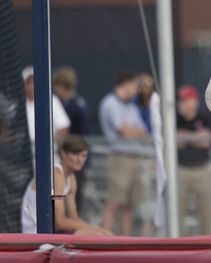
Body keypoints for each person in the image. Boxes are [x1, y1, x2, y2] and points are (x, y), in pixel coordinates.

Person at [21, 134, 112, 235]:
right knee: (96, 234)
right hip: (36, 234)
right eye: (75, 154)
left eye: (83, 155)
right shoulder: (57, 174)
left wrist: (98, 229)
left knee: (103, 234)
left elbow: (73, 218)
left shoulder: (71, 179)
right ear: (63, 154)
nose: (80, 160)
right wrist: (96, 229)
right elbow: (60, 222)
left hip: (51, 231)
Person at [99, 69, 149, 236]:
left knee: (129, 205)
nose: (138, 90)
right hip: (120, 159)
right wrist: (134, 132)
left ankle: (125, 241)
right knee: (114, 203)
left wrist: (132, 131)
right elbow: (125, 133)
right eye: (136, 85)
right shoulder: (110, 103)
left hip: (134, 159)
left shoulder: (131, 107)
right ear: (127, 84)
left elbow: (144, 131)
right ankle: (104, 240)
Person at [52, 66, 92, 215]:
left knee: (74, 201)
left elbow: (66, 132)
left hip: (74, 156)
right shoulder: (79, 103)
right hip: (77, 155)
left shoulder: (72, 106)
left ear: (61, 85)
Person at [176, 85, 211, 236]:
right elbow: (176, 141)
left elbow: (206, 141)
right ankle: (178, 243)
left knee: (205, 211)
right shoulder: (176, 119)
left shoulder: (203, 118)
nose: (182, 103)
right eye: (181, 100)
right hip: (181, 169)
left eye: (186, 100)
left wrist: (186, 137)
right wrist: (196, 137)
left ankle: (208, 241)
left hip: (201, 169)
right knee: (178, 210)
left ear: (194, 101)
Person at [22, 65, 71, 164]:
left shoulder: (52, 101)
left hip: (48, 157)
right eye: (29, 82)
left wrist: (47, 140)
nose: (32, 85)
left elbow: (64, 129)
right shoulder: (17, 106)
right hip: (24, 160)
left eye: (34, 81)